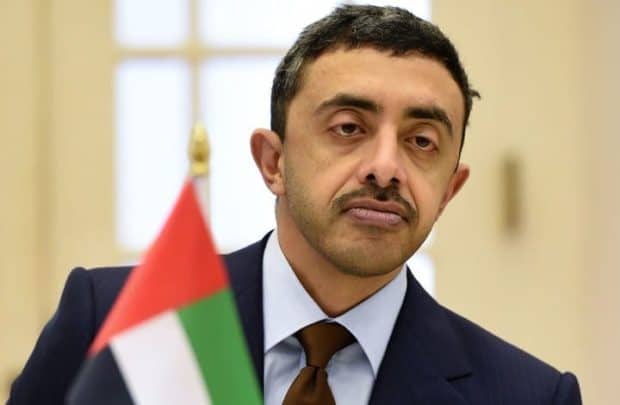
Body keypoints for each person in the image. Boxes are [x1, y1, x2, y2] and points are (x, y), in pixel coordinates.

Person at [8, 5, 582, 405]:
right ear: (273, 162)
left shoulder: (529, 396)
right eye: (349, 127)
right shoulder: (121, 322)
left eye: (422, 141)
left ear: (449, 191)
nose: (387, 167)